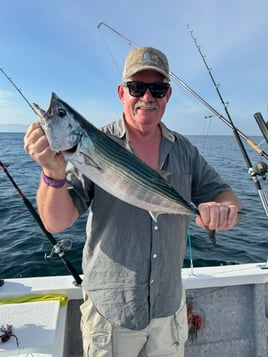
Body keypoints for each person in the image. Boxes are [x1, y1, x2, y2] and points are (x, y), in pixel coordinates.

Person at [24, 46, 241, 357]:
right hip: (112, 311)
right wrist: (51, 172)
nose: (147, 97)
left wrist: (223, 210)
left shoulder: (185, 151)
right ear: (121, 92)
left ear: (168, 95)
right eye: (137, 87)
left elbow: (226, 195)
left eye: (158, 88)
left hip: (169, 309)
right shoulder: (94, 143)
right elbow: (56, 222)